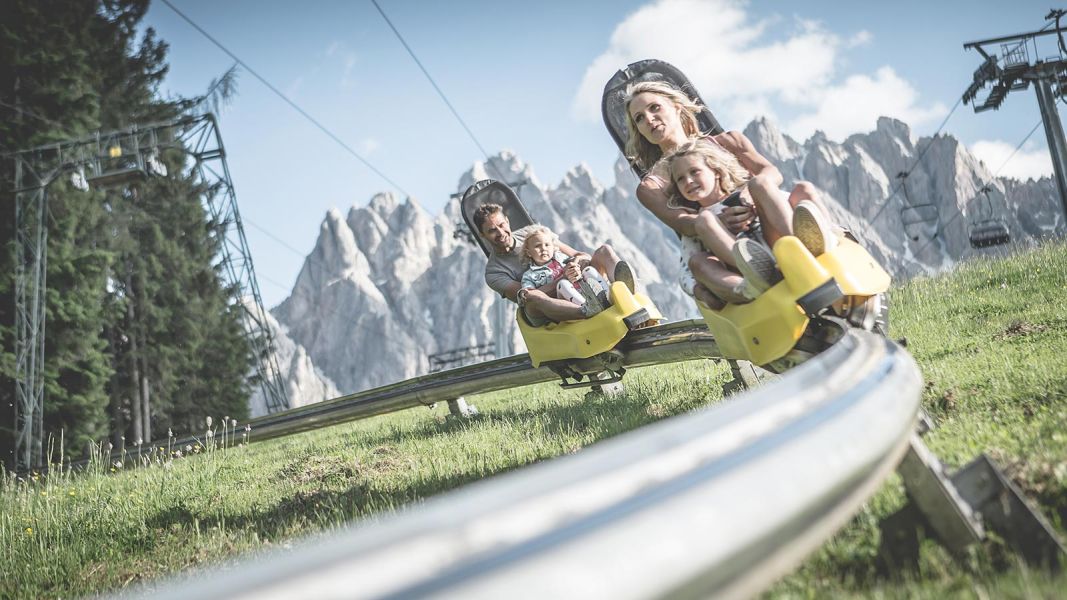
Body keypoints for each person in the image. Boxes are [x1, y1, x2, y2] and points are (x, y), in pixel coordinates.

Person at [622, 80, 837, 307]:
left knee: (768, 184)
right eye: (640, 119)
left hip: (765, 222)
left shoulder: (727, 141)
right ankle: (755, 273)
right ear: (639, 131)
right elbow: (681, 223)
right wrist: (717, 218)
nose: (649, 119)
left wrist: (749, 194)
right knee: (702, 241)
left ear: (676, 107)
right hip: (724, 245)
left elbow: (771, 172)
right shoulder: (650, 187)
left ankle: (805, 251)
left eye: (654, 108)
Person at [665, 140, 837, 300]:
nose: (688, 181)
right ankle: (755, 277)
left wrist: (754, 202)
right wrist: (698, 290)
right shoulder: (697, 222)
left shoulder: (747, 193)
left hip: (778, 245)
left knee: (797, 188)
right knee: (703, 227)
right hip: (741, 268)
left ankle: (809, 245)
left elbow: (784, 203)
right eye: (680, 179)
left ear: (716, 171)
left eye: (694, 172)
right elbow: (688, 270)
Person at [473, 203, 636, 326]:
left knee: (604, 251)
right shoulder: (494, 272)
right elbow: (526, 297)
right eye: (492, 230)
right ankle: (587, 310)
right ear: (482, 235)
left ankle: (627, 295)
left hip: (574, 282)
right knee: (533, 297)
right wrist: (562, 278)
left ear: (507, 221)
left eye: (501, 225)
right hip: (545, 308)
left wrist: (576, 264)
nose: (501, 233)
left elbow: (580, 255)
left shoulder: (533, 234)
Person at [517, 224, 612, 318]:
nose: (544, 248)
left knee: (589, 270)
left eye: (547, 245)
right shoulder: (529, 275)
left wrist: (576, 263)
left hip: (583, 288)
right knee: (562, 284)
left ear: (553, 247)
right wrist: (524, 293)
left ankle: (608, 297)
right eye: (538, 246)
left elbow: (580, 258)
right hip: (566, 299)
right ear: (529, 252)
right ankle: (588, 307)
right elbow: (531, 295)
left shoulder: (561, 257)